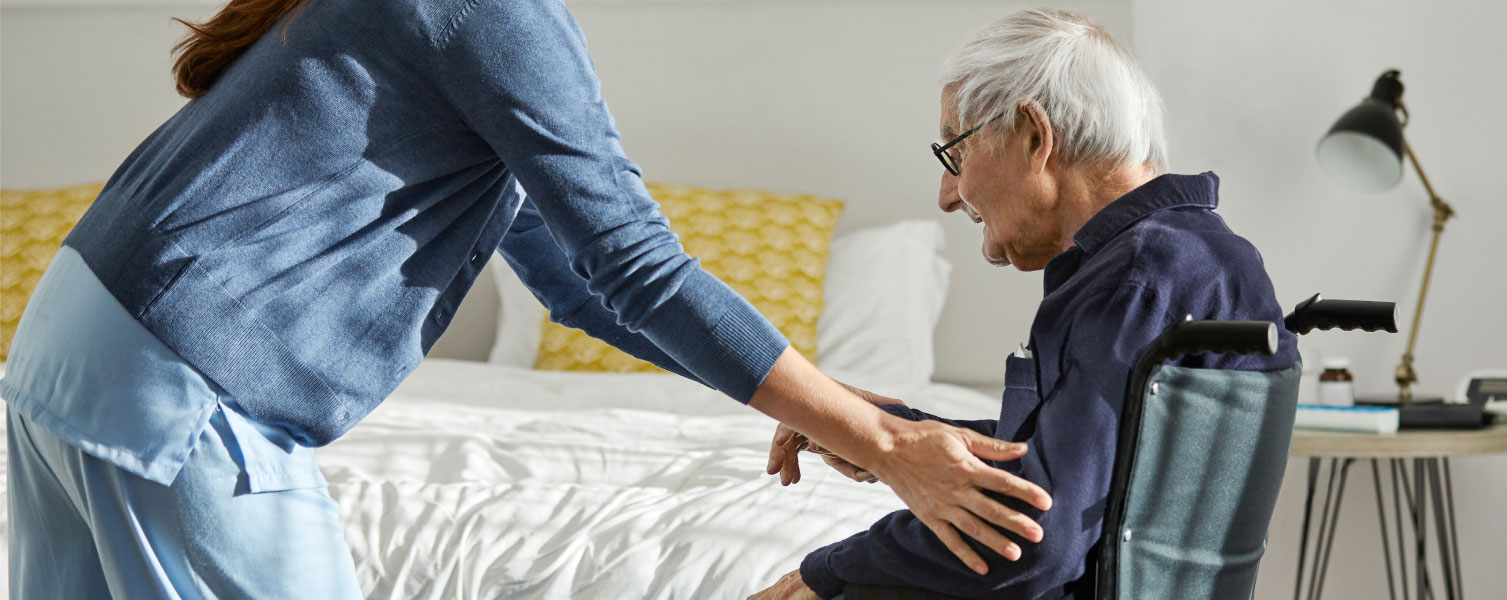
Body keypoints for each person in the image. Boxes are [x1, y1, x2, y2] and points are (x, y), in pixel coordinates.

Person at [0, 0, 1051, 597]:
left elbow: (586, 286)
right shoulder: (495, 13)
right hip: (183, 382)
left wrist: (827, 402)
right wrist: (881, 441)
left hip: (71, 348)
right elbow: (637, 265)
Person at [753, 9, 1300, 600]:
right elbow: (1080, 468)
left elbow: (1032, 536)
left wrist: (829, 571)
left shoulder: (1135, 279)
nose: (947, 196)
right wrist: (886, 432)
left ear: (1035, 136)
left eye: (955, 154)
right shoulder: (1199, 256)